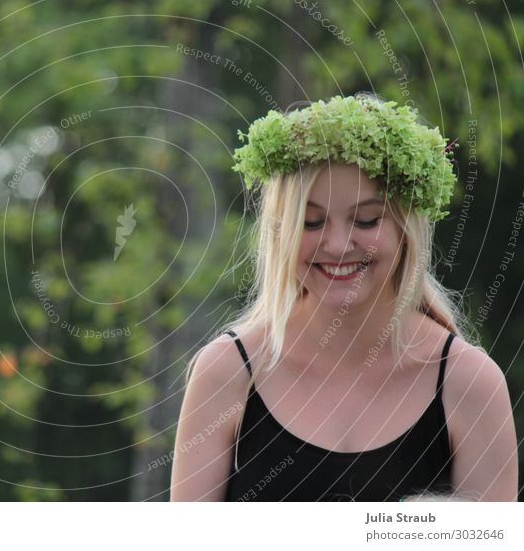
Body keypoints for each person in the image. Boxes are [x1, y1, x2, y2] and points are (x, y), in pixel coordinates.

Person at [169, 94, 518, 502]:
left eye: (367, 219)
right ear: (281, 232)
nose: (336, 245)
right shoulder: (227, 373)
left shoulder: (469, 384)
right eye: (311, 221)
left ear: (406, 229)